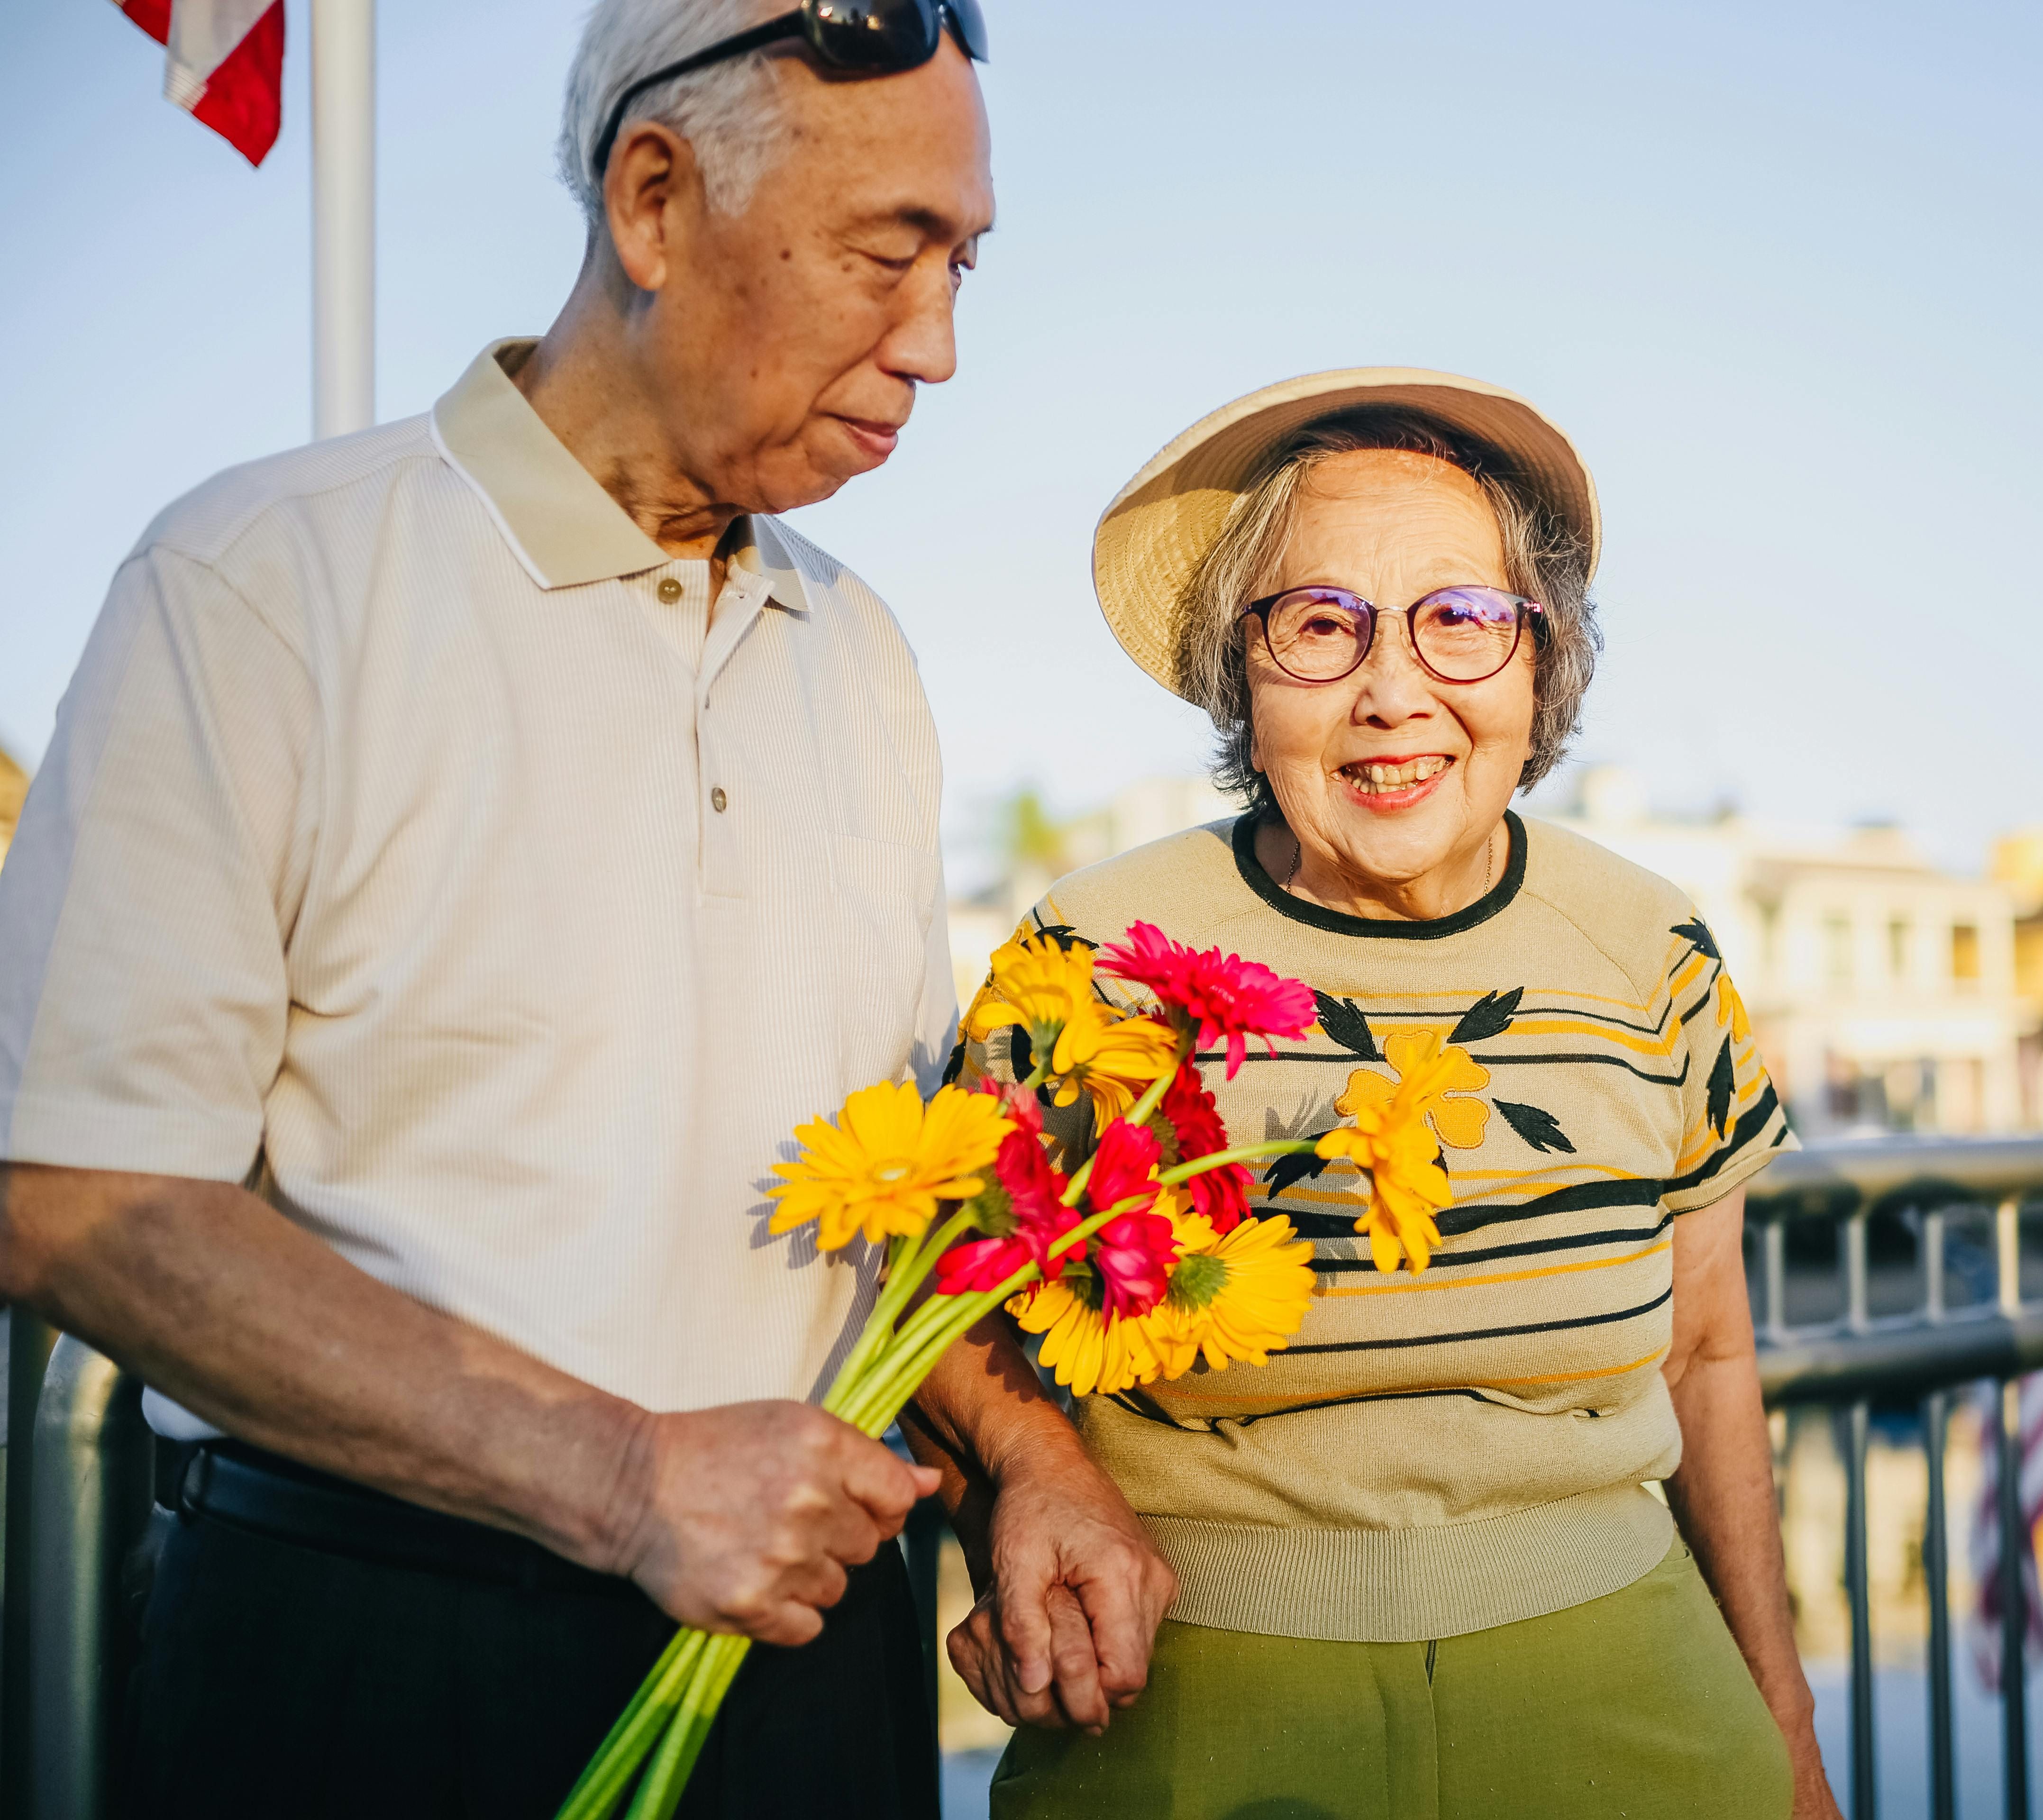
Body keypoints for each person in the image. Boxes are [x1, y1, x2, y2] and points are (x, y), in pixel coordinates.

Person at [0, 1, 1155, 1811]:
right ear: (652, 199)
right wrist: (622, 1480)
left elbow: (894, 1199)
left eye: (964, 269)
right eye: (886, 257)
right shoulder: (262, 579)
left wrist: (1032, 1460)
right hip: (374, 1661)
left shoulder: (862, 651)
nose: (936, 346)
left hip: (811, 1660)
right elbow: (73, 1197)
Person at [929, 370, 1846, 1820]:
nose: (1392, 688)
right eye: (1319, 624)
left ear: (1545, 661)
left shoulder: (1652, 944)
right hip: (1190, 1707)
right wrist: (1007, 1527)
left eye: (1462, 619)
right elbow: (947, 1312)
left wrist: (1783, 1722)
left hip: (1633, 1703)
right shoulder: (1093, 956)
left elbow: (1708, 1353)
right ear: (1243, 673)